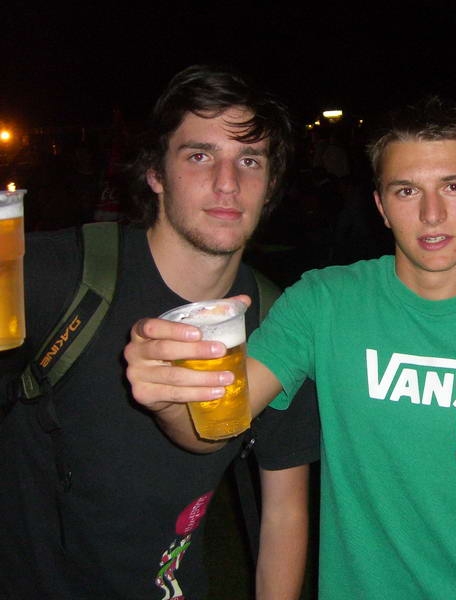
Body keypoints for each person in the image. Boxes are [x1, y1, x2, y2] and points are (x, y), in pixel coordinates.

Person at [124, 96, 456, 599]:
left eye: (453, 186)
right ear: (381, 206)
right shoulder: (324, 302)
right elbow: (211, 429)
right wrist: (168, 401)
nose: (432, 214)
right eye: (407, 190)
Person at [0, 65, 319, 599]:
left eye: (249, 160)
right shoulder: (61, 276)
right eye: (199, 156)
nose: (227, 182)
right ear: (155, 173)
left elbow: (284, 510)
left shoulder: (278, 322)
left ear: (270, 186)